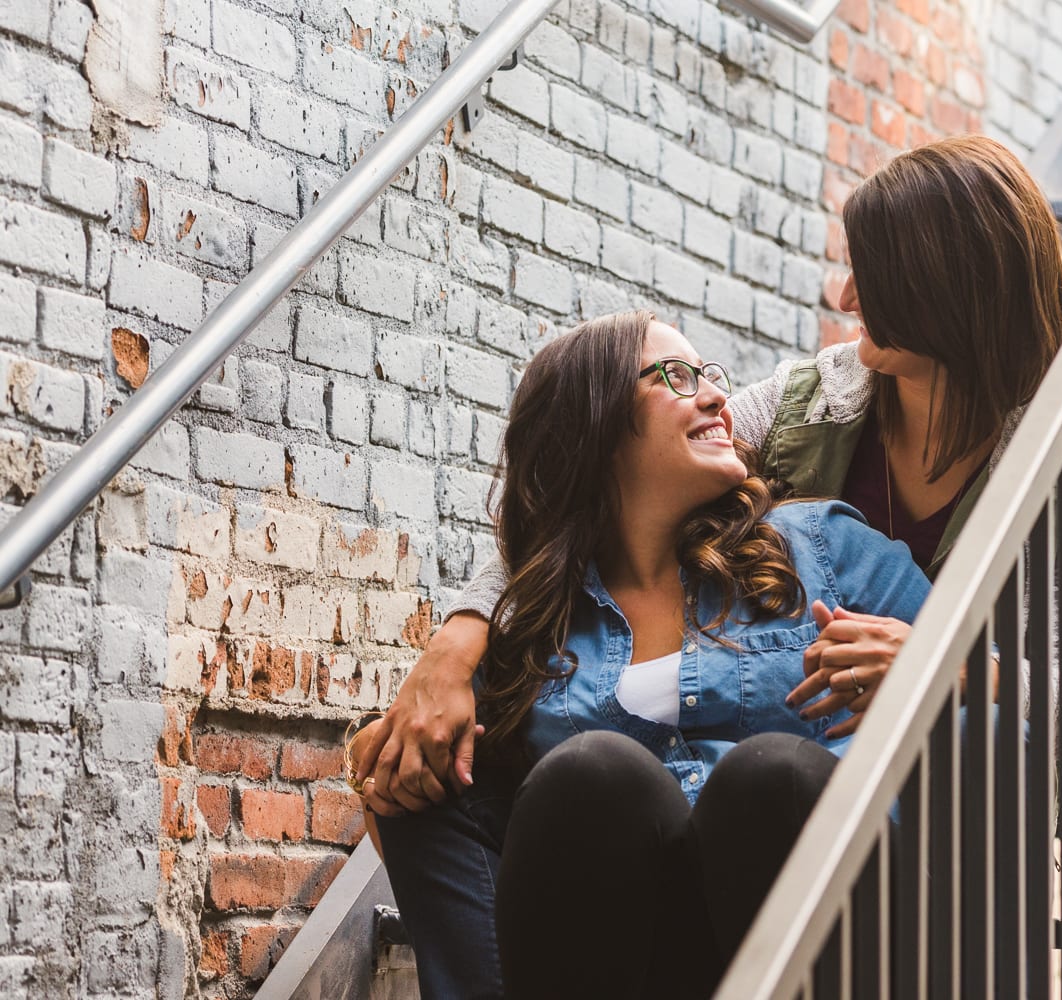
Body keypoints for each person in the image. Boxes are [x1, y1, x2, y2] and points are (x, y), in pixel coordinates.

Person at [357, 134, 1062, 816]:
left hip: (926, 767)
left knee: (781, 775)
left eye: (873, 277)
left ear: (943, 290)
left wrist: (952, 666)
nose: (847, 298)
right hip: (743, 777)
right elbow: (582, 501)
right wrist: (453, 647)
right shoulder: (810, 403)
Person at [375, 312, 932, 998]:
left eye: (710, 375)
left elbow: (993, 715)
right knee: (591, 774)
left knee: (767, 777)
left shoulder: (821, 547)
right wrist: (390, 753)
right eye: (676, 376)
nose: (717, 396)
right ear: (596, 424)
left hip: (832, 927)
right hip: (644, 958)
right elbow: (433, 792)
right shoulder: (537, 631)